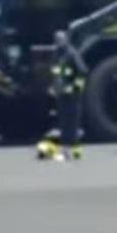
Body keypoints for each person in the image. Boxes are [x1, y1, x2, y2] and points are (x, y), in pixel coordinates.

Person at [38, 29, 88, 162]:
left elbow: (82, 71)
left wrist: (74, 88)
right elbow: (55, 70)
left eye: (60, 39)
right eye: (56, 39)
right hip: (61, 94)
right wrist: (53, 86)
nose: (58, 42)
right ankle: (66, 151)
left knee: (73, 123)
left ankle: (75, 153)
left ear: (66, 40)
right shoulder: (57, 54)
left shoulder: (71, 53)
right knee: (64, 123)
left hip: (72, 94)